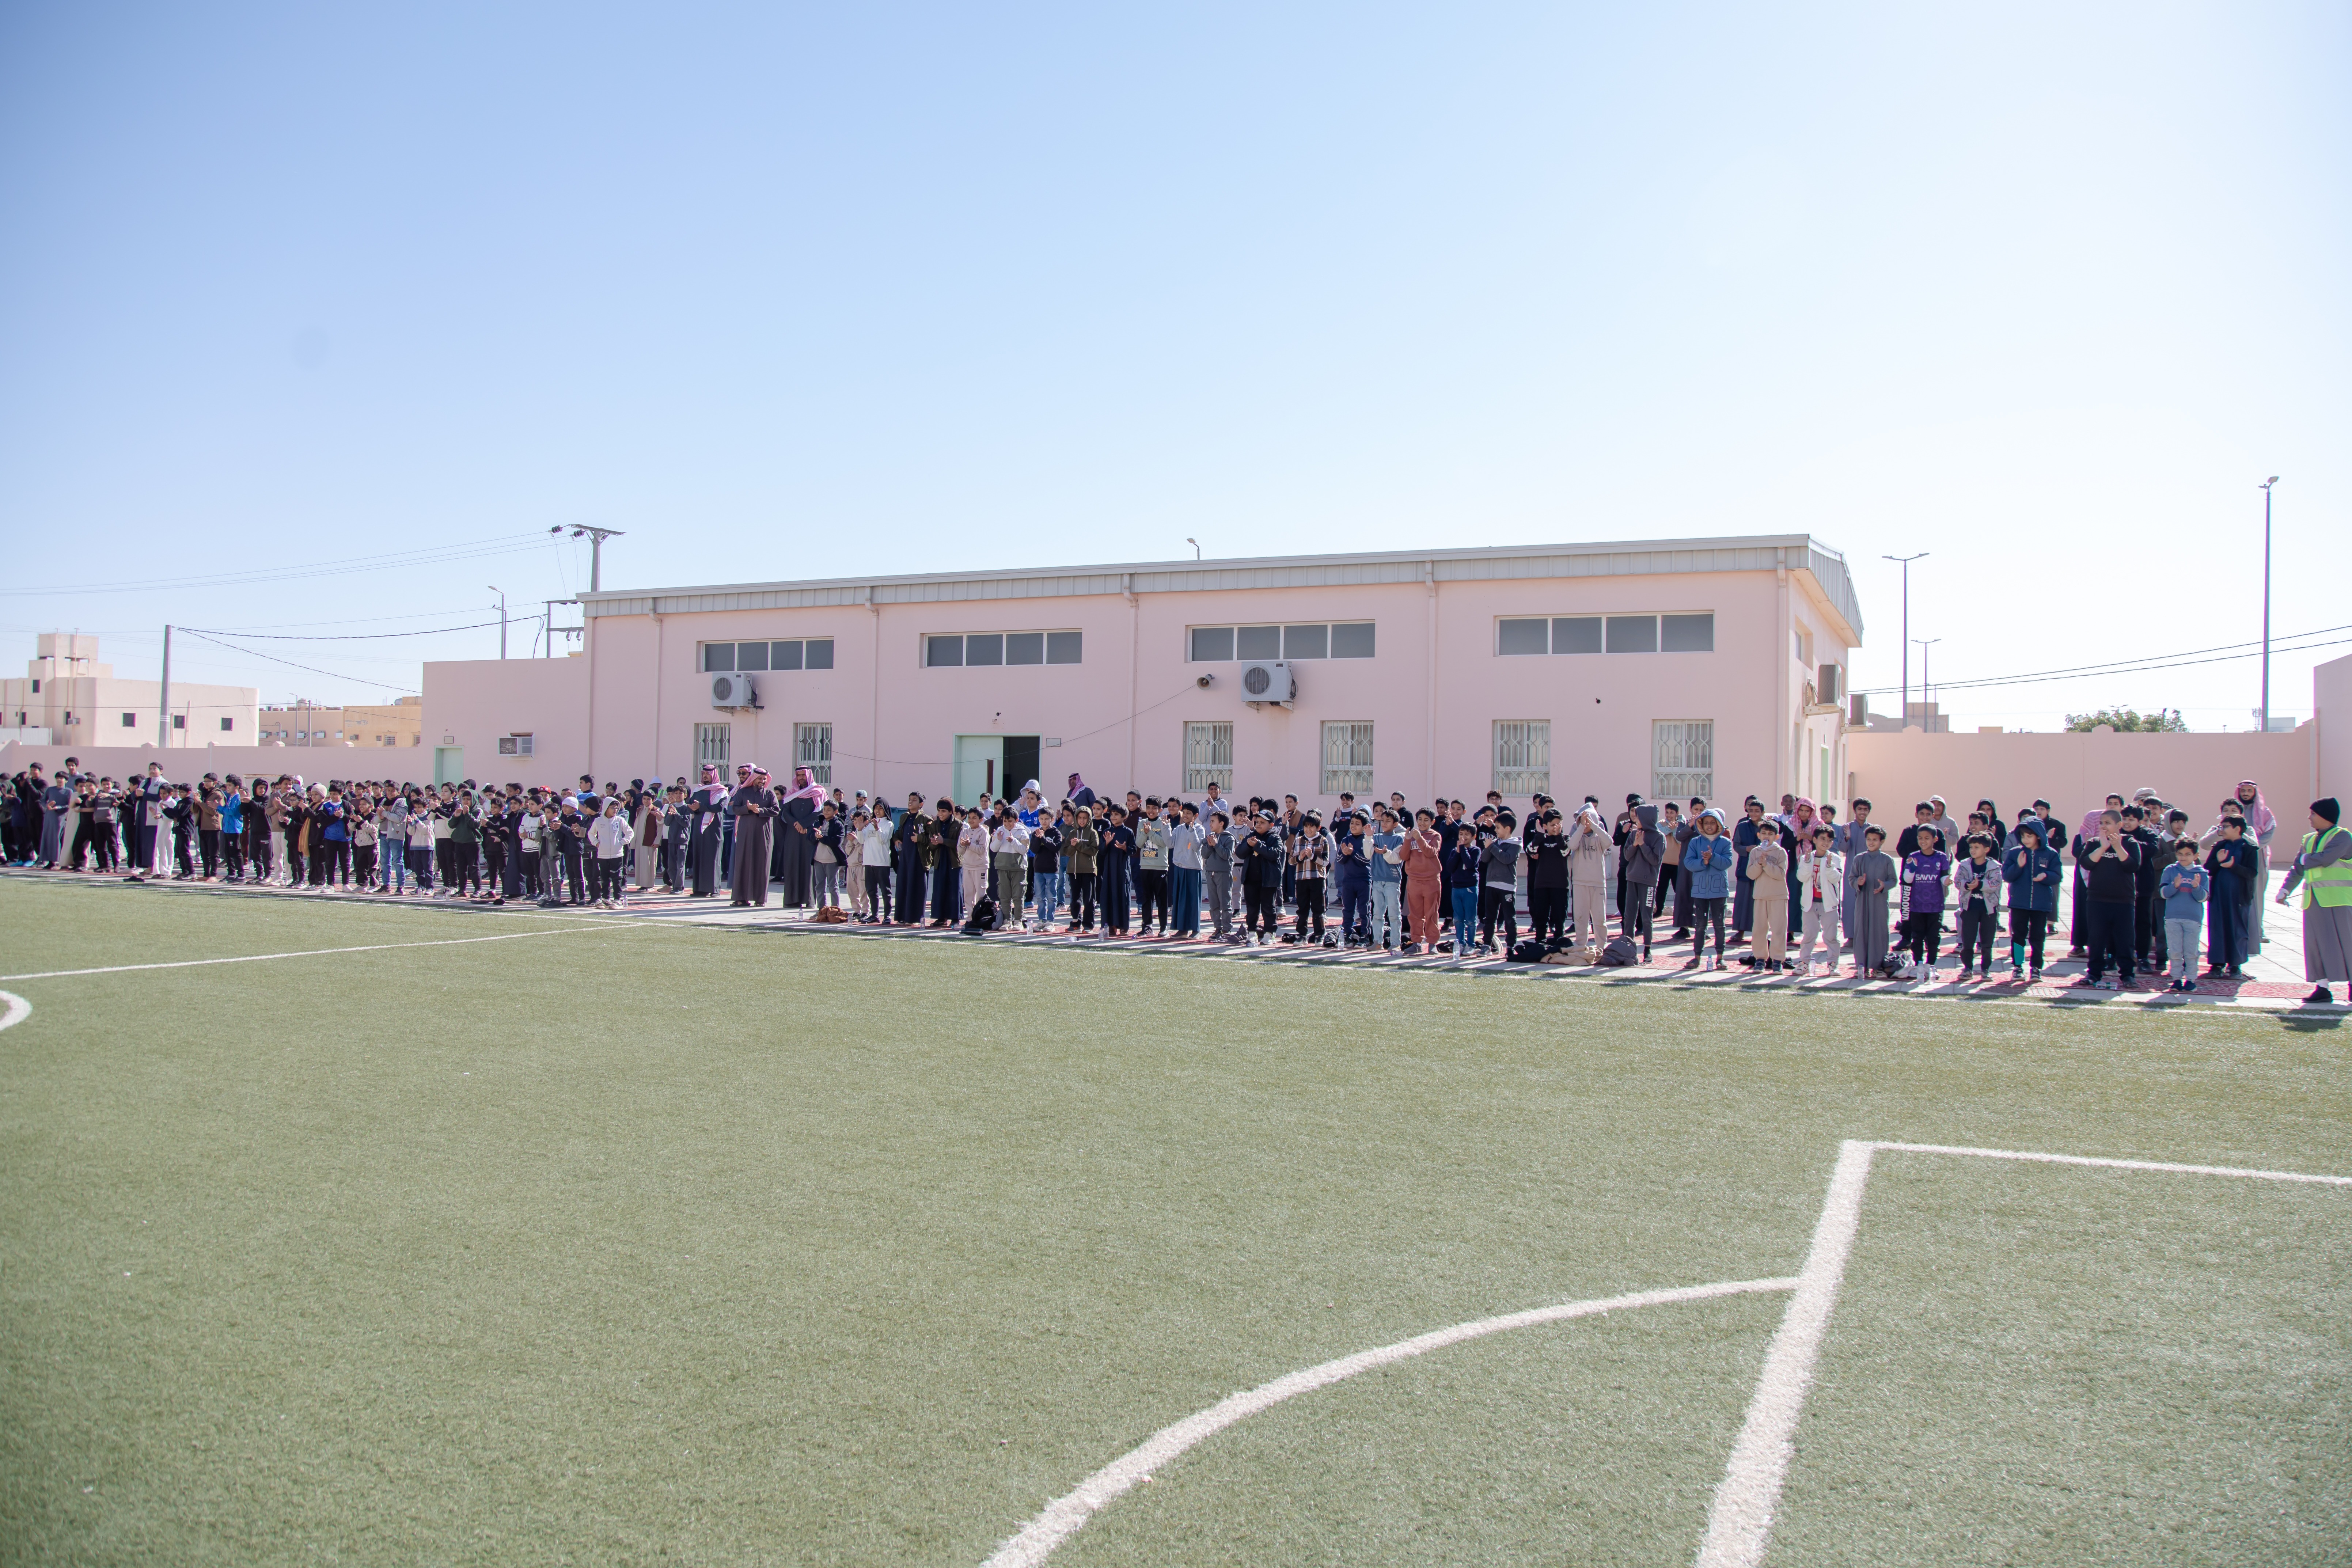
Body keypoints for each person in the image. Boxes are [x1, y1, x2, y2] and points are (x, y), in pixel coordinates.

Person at [2276, 797, 2351, 1005]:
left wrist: (2304, 859)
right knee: (2316, 945)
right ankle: (2323, 988)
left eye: (2314, 814)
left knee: (2347, 944)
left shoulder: (2343, 837)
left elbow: (2326, 859)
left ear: (2326, 816)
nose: (2309, 817)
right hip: (2313, 901)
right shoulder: (2308, 839)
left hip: (2340, 900)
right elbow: (2297, 869)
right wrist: (2285, 890)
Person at [2076, 810, 2140, 989]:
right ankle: (2094, 973)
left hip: (2123, 900)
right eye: (2102, 823)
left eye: (2108, 823)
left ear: (2119, 826)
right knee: (2096, 939)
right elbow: (2086, 863)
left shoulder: (2130, 842)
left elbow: (2133, 866)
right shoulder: (2094, 843)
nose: (2103, 827)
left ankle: (2128, 975)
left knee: (2125, 939)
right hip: (2097, 900)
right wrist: (2103, 847)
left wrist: (2117, 847)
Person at [2000, 820, 2059, 980]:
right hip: (2019, 903)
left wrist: (2045, 876)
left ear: (2039, 836)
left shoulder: (2051, 854)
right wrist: (2019, 866)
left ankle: (2036, 968)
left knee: (2038, 936)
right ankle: (2018, 967)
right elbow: (2006, 876)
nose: (2026, 839)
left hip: (2041, 904)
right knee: (2019, 935)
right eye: (2023, 836)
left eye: (2030, 836)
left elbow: (2057, 875)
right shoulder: (2015, 853)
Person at [1683, 809, 1733, 969]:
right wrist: (1703, 863)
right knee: (1700, 925)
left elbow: (1727, 863)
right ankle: (1697, 957)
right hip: (1700, 890)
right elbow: (1688, 863)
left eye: (1713, 823)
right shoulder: (1695, 842)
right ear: (1701, 825)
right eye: (1706, 823)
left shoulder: (1725, 843)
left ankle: (1720, 957)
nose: (1710, 826)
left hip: (1719, 890)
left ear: (1719, 824)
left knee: (1719, 925)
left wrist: (1713, 858)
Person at [1898, 827, 1950, 980]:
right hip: (1917, 905)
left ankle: (1931, 965)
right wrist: (1912, 869)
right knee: (1917, 936)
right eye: (1920, 838)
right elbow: (1907, 880)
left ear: (1935, 840)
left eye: (1927, 838)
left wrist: (1947, 881)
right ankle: (1919, 964)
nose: (1923, 841)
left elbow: (1943, 878)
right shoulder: (1913, 857)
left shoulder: (1941, 857)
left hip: (1935, 905)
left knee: (1933, 937)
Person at [2202, 816, 2252, 979]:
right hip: (2219, 895)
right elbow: (2208, 868)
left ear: (2238, 829)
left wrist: (2233, 866)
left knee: (2237, 928)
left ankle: (2235, 965)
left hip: (2238, 897)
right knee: (2218, 927)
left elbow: (2252, 873)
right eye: (2221, 826)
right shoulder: (2220, 846)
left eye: (2225, 827)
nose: (2221, 830)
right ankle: (2217, 964)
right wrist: (2218, 861)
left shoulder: (2249, 848)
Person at [1950, 833, 2003, 980]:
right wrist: (1967, 885)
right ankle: (1967, 968)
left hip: (1988, 910)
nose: (1973, 850)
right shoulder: (1965, 865)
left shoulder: (1995, 867)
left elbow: (1996, 884)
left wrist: (1980, 885)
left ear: (1987, 849)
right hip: (1970, 909)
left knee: (1987, 942)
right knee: (1968, 941)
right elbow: (1958, 882)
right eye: (1971, 847)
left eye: (1977, 847)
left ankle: (1985, 970)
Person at [1792, 824, 1841, 976]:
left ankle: (1833, 964)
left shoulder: (1835, 859)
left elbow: (1836, 878)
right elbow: (1801, 877)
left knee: (1831, 936)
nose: (1826, 843)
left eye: (1830, 840)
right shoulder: (1808, 857)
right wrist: (1806, 864)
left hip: (1829, 905)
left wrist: (1829, 866)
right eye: (1822, 839)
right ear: (1814, 840)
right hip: (1810, 904)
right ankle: (1804, 963)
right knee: (1809, 935)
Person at [2159, 839, 2207, 993]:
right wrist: (2175, 885)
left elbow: (2202, 898)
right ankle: (2176, 979)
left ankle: (2191, 979)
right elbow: (2163, 894)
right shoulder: (2170, 870)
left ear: (2196, 856)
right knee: (2175, 951)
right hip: (2173, 918)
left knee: (2191, 951)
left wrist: (2196, 887)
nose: (2183, 857)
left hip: (2193, 919)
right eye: (2180, 854)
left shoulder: (2201, 873)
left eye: (2188, 854)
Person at [1744, 818, 1789, 971]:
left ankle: (1778, 960)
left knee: (1778, 929)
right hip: (1761, 895)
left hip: (1778, 895)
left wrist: (1767, 865)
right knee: (1759, 929)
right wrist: (1758, 863)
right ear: (1759, 835)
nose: (1766, 836)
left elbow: (1781, 874)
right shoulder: (1756, 852)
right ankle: (1760, 959)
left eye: (1770, 834)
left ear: (1776, 837)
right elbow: (1750, 874)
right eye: (1764, 833)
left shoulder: (1781, 852)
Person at [1566, 805, 1611, 952]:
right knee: (1580, 917)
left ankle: (1601, 946)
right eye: (1581, 821)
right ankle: (1580, 946)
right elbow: (1572, 846)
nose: (1584, 824)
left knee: (1599, 918)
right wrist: (1581, 827)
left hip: (1598, 883)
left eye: (1587, 821)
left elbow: (1609, 842)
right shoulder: (1578, 836)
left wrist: (1595, 826)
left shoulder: (1600, 838)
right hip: (1580, 883)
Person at [729, 768, 776, 907]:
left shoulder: (770, 794)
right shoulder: (743, 792)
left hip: (764, 834)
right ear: (753, 779)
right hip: (745, 833)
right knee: (743, 862)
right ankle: (741, 899)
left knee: (762, 864)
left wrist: (759, 811)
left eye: (764, 779)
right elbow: (735, 809)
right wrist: (748, 809)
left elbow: (776, 811)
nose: (762, 781)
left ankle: (760, 899)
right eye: (760, 778)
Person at [1477, 810, 1520, 955]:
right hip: (1491, 884)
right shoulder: (1495, 843)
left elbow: (1506, 859)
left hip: (1507, 886)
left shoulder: (1515, 844)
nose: (1495, 831)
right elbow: (1484, 859)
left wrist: (1492, 847)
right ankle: (1487, 945)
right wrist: (1489, 847)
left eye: (1498, 828)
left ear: (1508, 829)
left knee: (1509, 918)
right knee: (1490, 917)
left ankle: (1511, 947)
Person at [588, 798, 634, 908]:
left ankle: (618, 899)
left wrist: (622, 843)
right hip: (602, 855)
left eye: (617, 808)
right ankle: (606, 898)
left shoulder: (620, 820)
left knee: (617, 877)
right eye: (612, 808)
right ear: (606, 808)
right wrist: (597, 843)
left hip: (617, 854)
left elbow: (630, 833)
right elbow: (591, 834)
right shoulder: (598, 821)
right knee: (605, 878)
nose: (615, 810)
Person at [1064, 804, 1100, 934]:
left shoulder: (1093, 833)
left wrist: (1079, 844)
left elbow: (1093, 851)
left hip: (1089, 871)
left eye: (1085, 818)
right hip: (1073, 871)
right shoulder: (1072, 833)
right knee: (1075, 898)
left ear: (1089, 819)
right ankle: (1075, 923)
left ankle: (1088, 925)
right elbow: (1067, 852)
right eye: (1080, 818)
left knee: (1089, 899)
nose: (1082, 821)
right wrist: (1074, 846)